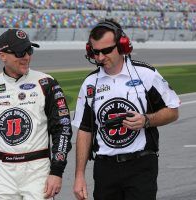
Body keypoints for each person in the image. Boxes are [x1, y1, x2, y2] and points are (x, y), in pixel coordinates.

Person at [72, 19, 180, 200]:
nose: (100, 57)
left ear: (122, 46)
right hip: (104, 169)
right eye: (95, 52)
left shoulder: (146, 75)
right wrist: (79, 175)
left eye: (106, 51)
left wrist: (146, 120)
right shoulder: (90, 84)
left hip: (141, 165)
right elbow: (85, 130)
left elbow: (173, 111)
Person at [0, 29, 72, 200]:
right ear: (2, 55)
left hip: (38, 171)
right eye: (20, 52)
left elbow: (62, 129)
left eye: (29, 50)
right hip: (3, 173)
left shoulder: (46, 83)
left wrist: (56, 171)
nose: (26, 56)